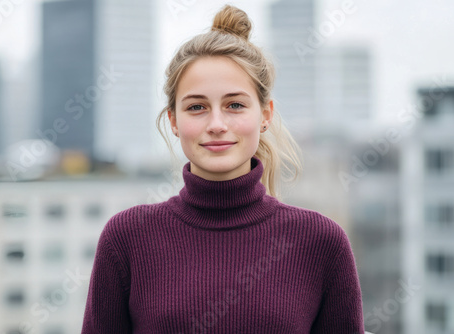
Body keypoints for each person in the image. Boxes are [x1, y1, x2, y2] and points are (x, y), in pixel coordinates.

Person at [81, 4, 365, 334]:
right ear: (173, 120)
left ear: (266, 114)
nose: (217, 124)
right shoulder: (127, 238)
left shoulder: (321, 242)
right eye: (197, 107)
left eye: (235, 105)